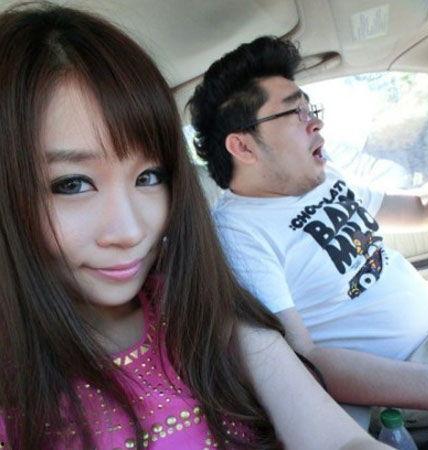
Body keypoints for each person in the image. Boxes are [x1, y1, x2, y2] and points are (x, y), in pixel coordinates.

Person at [0, 3, 393, 450]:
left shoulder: (201, 310)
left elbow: (336, 439)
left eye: (149, 176)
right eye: (72, 184)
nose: (130, 232)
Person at [188, 36, 428, 428]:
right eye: (295, 113)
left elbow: (420, 210)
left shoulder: (323, 176)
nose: (315, 122)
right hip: (406, 383)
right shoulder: (238, 234)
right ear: (243, 147)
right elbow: (305, 361)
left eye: (310, 109)